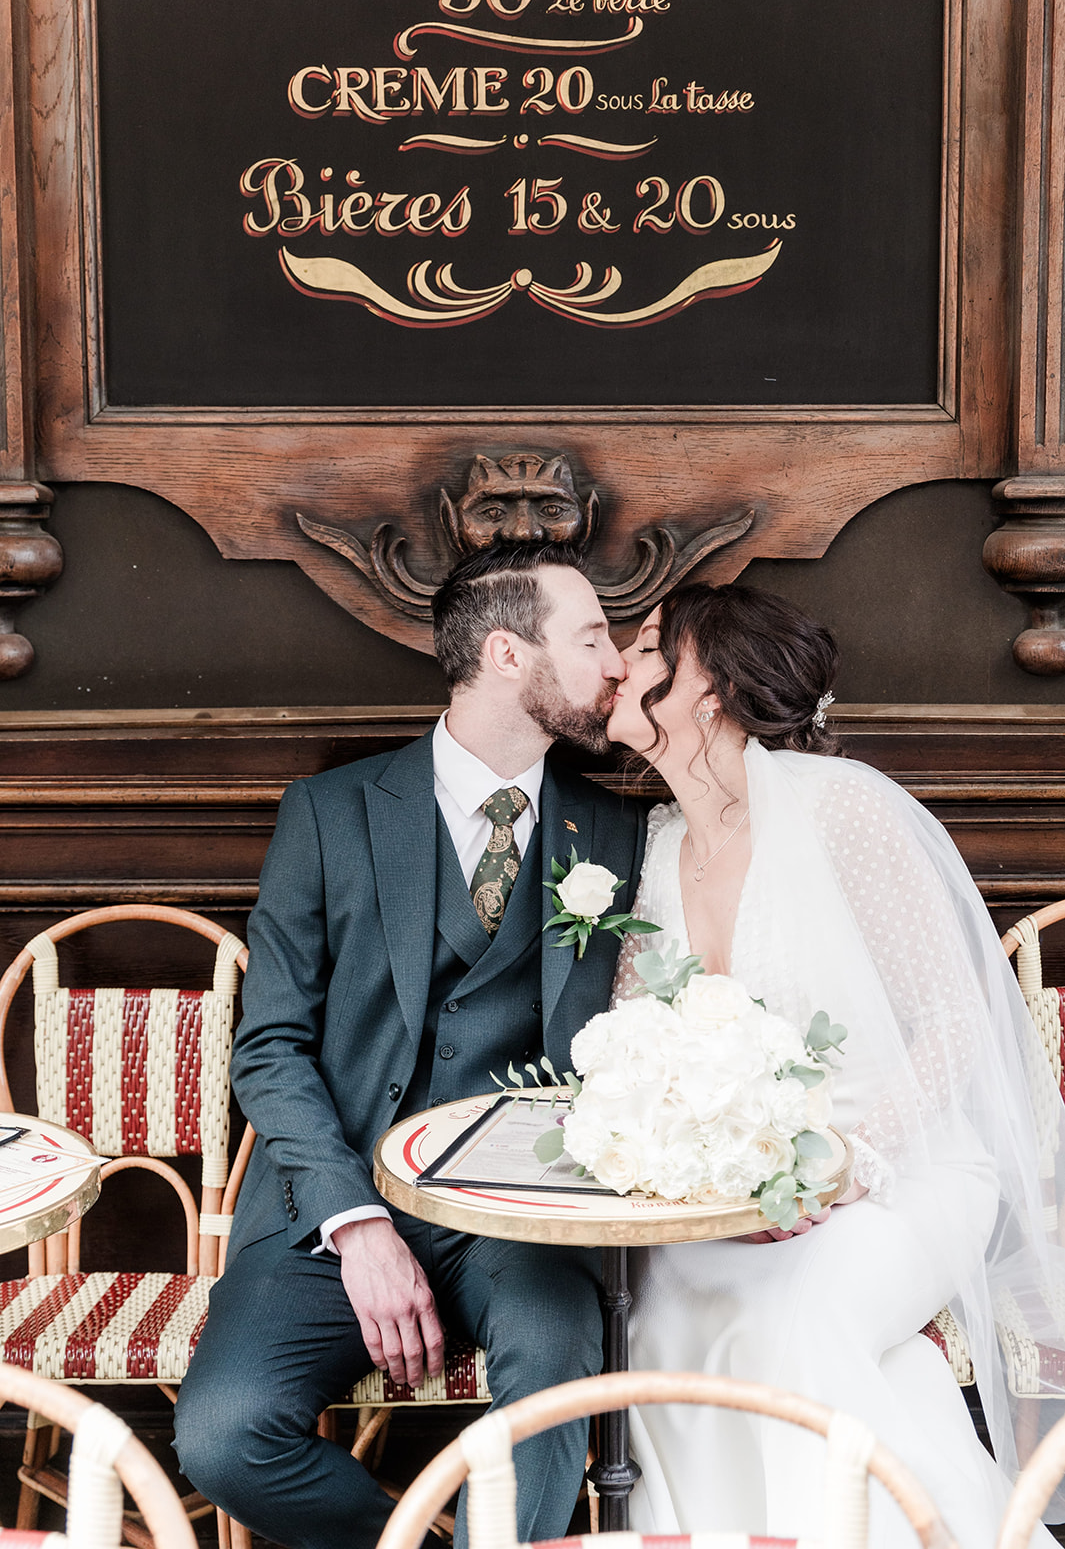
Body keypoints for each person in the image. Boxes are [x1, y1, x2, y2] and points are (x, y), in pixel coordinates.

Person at [174, 540, 646, 1549]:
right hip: (334, 1202)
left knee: (561, 1379)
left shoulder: (617, 833)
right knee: (223, 1436)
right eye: (595, 635)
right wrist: (355, 1221)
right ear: (510, 653)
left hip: (521, 1217)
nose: (618, 661)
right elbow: (269, 1045)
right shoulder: (330, 812)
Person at [605, 582, 1065, 1549]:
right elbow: (636, 1044)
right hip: (741, 1203)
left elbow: (954, 1021)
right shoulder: (655, 845)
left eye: (649, 649)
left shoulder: (841, 811)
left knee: (798, 1326)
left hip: (905, 1175)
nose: (619, 661)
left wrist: (845, 1162)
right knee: (655, 1324)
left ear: (710, 692)